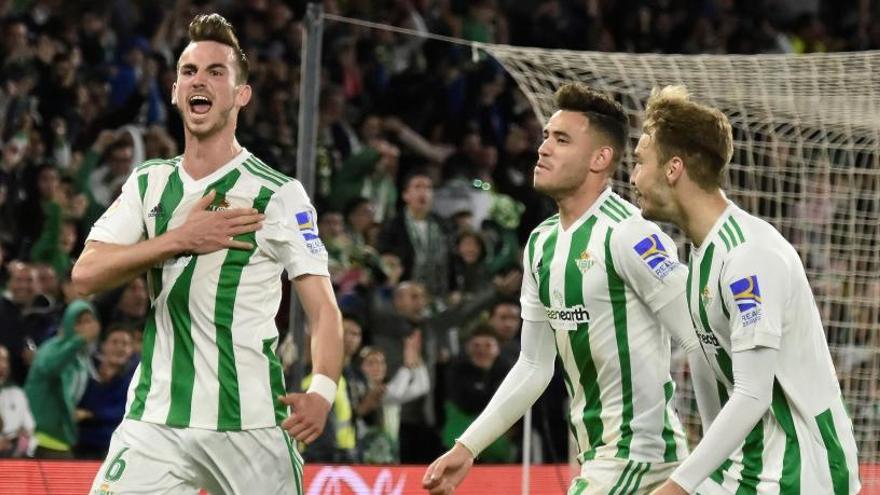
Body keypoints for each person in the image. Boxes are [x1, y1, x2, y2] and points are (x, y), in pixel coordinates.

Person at [71, 14, 343, 495]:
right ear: (175, 91)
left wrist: (323, 390)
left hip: (251, 422)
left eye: (217, 72)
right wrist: (180, 238)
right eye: (190, 71)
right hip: (155, 419)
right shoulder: (148, 182)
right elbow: (86, 275)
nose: (200, 80)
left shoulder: (278, 194)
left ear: (242, 95)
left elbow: (323, 309)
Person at [423, 82, 712, 495]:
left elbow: (700, 338)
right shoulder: (541, 243)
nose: (543, 149)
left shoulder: (630, 235)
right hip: (598, 458)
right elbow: (533, 366)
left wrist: (716, 459)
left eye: (561, 140)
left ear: (600, 158)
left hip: (639, 457)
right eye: (545, 137)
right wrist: (468, 446)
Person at [629, 86, 860, 494]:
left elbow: (753, 393)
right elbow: (706, 363)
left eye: (639, 163)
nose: (633, 179)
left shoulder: (748, 256)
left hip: (800, 470)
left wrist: (678, 486)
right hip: (751, 466)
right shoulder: (703, 253)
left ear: (673, 169)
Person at [24, 300, 101, 458]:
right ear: (68, 323)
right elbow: (49, 367)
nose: (85, 328)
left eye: (89, 321)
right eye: (79, 322)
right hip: (40, 438)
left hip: (62, 438)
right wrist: (78, 340)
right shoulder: (53, 348)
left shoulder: (83, 357)